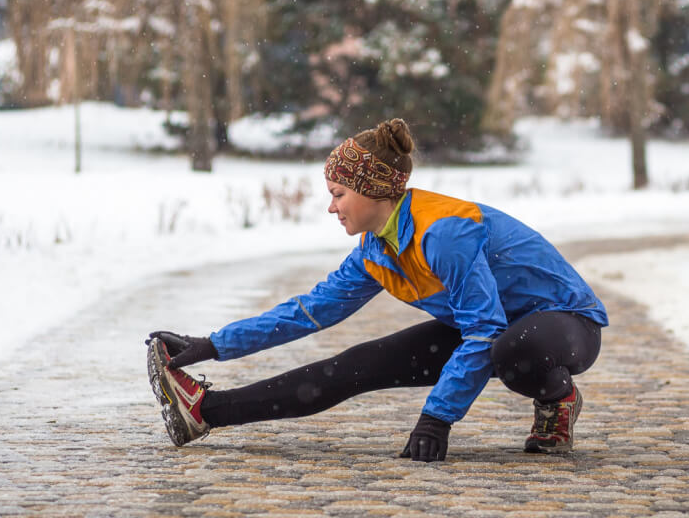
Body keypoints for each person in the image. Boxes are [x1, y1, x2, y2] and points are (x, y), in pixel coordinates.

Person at [145, 118, 608, 462]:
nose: (332, 207)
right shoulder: (376, 249)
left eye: (339, 193)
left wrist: (436, 419)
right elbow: (308, 311)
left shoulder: (444, 232)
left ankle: (557, 398)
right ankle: (206, 412)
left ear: (374, 191)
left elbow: (483, 330)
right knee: (353, 366)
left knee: (513, 350)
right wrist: (211, 346)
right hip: (491, 327)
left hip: (566, 324)